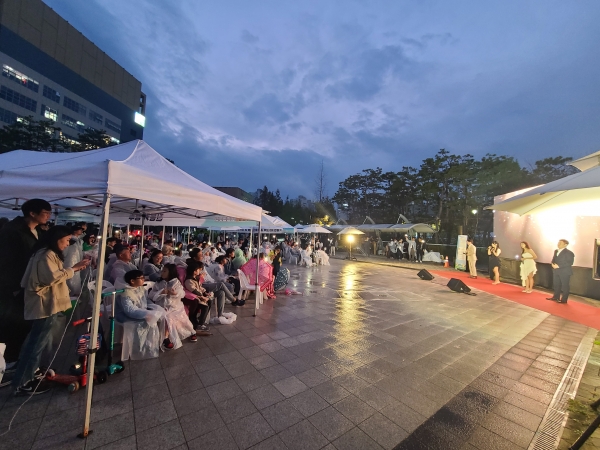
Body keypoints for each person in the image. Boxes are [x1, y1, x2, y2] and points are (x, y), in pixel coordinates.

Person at [12, 226, 90, 395]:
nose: (67, 244)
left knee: (37, 341)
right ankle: (24, 381)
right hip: (44, 304)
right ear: (57, 239)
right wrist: (73, 269)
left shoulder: (48, 254)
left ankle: (30, 372)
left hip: (48, 303)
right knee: (36, 343)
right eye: (66, 240)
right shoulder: (45, 255)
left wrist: (74, 269)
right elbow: (51, 278)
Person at [0, 198, 52, 367]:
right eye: (45, 213)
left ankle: (19, 360)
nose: (48, 216)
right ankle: (9, 361)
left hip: (30, 285)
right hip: (14, 286)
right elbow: (7, 261)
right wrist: (14, 287)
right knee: (13, 324)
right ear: (32, 213)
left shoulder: (37, 231)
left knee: (25, 325)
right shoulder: (12, 231)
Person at [116, 270, 167, 360]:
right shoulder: (126, 292)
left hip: (138, 311)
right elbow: (129, 310)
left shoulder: (140, 288)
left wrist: (155, 308)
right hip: (124, 315)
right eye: (141, 278)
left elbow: (146, 301)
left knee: (157, 316)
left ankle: (149, 343)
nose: (144, 279)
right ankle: (138, 347)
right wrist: (145, 314)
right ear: (132, 281)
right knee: (145, 321)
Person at [149, 263, 197, 348]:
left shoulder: (176, 282)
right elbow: (151, 295)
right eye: (162, 271)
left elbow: (182, 293)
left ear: (171, 272)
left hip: (175, 306)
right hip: (161, 306)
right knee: (167, 316)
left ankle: (191, 331)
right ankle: (165, 338)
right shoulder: (158, 283)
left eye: (165, 271)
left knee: (180, 318)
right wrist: (161, 292)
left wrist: (175, 293)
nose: (162, 273)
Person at [183, 261, 212, 332]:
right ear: (194, 272)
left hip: (199, 296)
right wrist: (202, 296)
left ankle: (201, 319)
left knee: (210, 301)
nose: (200, 271)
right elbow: (194, 290)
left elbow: (199, 287)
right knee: (205, 307)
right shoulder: (188, 281)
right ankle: (200, 325)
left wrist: (205, 292)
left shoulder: (195, 278)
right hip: (194, 298)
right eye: (198, 270)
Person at [547, 239, 575, 304]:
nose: (558, 244)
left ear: (565, 245)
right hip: (556, 271)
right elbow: (553, 259)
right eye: (558, 242)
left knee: (565, 286)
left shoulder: (569, 253)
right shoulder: (556, 251)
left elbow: (570, 262)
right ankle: (556, 297)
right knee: (556, 285)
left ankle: (564, 300)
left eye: (560, 243)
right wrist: (552, 264)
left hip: (565, 271)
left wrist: (559, 266)